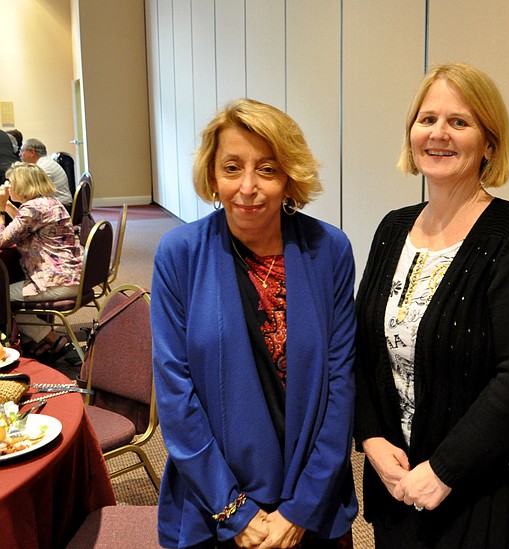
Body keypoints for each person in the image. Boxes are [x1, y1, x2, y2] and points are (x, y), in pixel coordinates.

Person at [354, 63, 509, 549]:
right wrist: (370, 437)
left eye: (459, 122)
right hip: (400, 483)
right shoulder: (393, 229)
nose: (438, 134)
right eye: (427, 119)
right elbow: (363, 348)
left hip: (491, 492)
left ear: (489, 143)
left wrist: (446, 469)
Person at [151, 98, 357, 549]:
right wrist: (232, 509)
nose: (248, 187)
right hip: (214, 501)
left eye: (267, 169)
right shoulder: (179, 254)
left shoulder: (330, 250)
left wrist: (303, 507)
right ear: (213, 177)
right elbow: (174, 394)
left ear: (289, 177)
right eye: (232, 168)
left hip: (312, 495)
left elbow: (340, 385)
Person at [0, 162, 82, 365]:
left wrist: (1, 210)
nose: (7, 186)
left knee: (2, 298)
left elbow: (2, 240)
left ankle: (54, 341)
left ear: (22, 185)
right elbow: (22, 224)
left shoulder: (33, 209)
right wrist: (8, 205)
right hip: (73, 275)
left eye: (10, 182)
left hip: (57, 281)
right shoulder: (49, 202)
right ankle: (38, 344)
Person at [20, 138, 73, 211]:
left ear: (32, 152)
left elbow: (30, 193)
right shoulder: (47, 162)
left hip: (60, 208)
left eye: (22, 151)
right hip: (60, 205)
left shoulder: (42, 167)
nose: (20, 154)